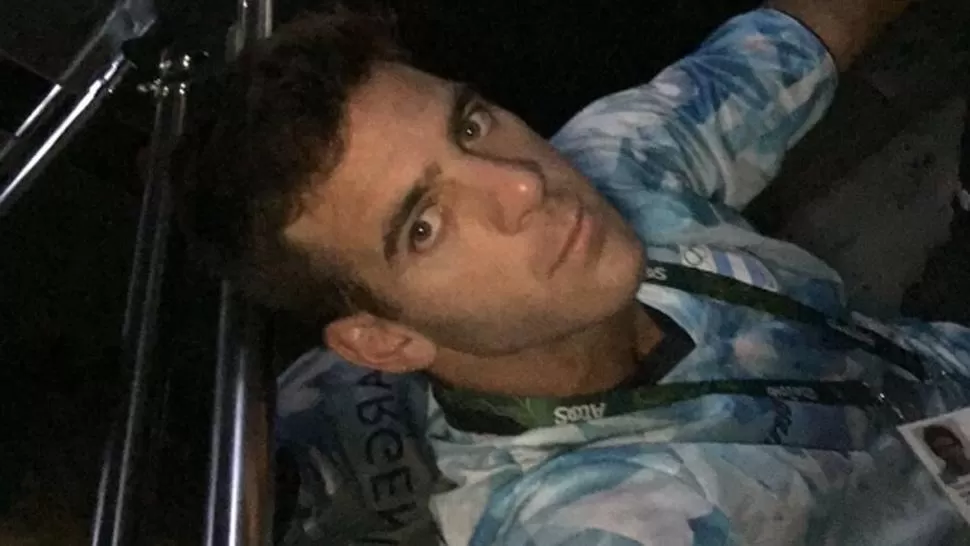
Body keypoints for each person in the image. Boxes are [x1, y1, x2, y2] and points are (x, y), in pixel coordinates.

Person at [173, 0, 970, 543]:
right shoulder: (584, 512)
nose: (523, 184)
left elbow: (802, 34)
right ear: (384, 340)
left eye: (471, 126)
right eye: (425, 226)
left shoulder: (616, 163)